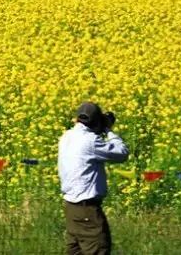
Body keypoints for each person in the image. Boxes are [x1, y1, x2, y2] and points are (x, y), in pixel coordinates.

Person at [58, 101, 129, 255]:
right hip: (87, 210)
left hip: (71, 209)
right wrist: (108, 130)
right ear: (96, 122)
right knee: (98, 249)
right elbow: (122, 153)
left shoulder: (66, 136)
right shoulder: (91, 141)